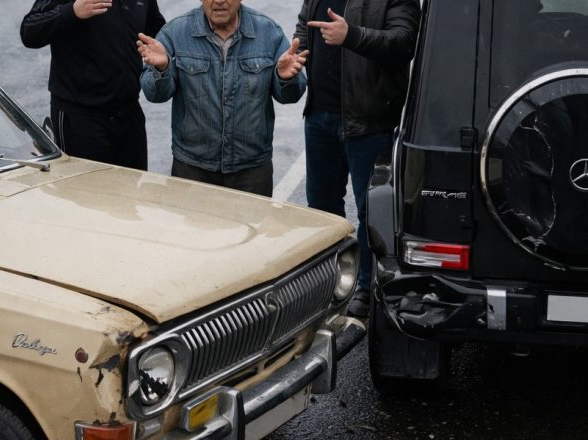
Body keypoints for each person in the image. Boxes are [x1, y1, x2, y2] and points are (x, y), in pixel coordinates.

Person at [294, 0, 420, 317]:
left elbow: (404, 42)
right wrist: (295, 54)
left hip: (369, 120)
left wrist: (352, 35)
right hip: (319, 115)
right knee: (321, 208)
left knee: (370, 211)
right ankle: (329, 282)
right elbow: (305, 27)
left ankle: (366, 286)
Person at [137, 0, 308, 197]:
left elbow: (290, 96)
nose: (219, 1)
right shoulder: (175, 32)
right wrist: (161, 68)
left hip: (251, 171)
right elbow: (155, 95)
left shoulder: (269, 33)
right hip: (192, 169)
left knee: (251, 220)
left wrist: (285, 78)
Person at [20, 0, 165, 170]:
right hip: (80, 119)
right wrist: (72, 11)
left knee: (134, 186)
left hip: (129, 116)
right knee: (84, 187)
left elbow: (157, 31)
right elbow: (29, 31)